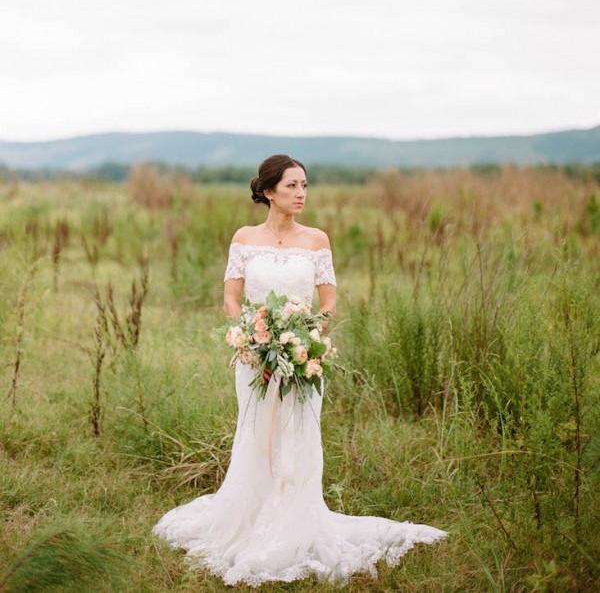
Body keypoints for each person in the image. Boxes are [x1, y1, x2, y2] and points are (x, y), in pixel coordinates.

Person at [153, 154, 447, 586]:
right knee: (257, 438)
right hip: (254, 361)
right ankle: (253, 519)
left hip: (304, 359)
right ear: (268, 191)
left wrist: (306, 340)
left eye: (305, 186)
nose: (301, 194)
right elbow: (231, 298)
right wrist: (253, 341)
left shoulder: (317, 241)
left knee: (299, 441)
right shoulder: (244, 238)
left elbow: (327, 304)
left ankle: (292, 523)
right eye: (291, 186)